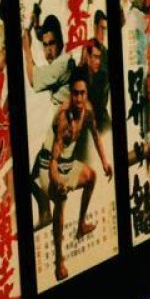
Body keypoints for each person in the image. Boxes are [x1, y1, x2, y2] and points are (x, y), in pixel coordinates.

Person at [45, 66, 113, 280]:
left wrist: (105, 162)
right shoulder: (63, 117)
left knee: (91, 177)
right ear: (70, 93)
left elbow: (96, 136)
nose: (79, 98)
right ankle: (59, 261)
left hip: (67, 163)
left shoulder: (87, 111)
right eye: (75, 93)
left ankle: (81, 225)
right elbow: (53, 160)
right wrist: (57, 182)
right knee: (60, 201)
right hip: (49, 166)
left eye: (82, 93)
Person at [23, 10, 72, 107]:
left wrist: (27, 48)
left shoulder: (63, 64)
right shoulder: (61, 59)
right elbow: (44, 37)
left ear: (60, 42)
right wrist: (36, 24)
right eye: (45, 45)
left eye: (52, 44)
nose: (48, 50)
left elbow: (33, 79)